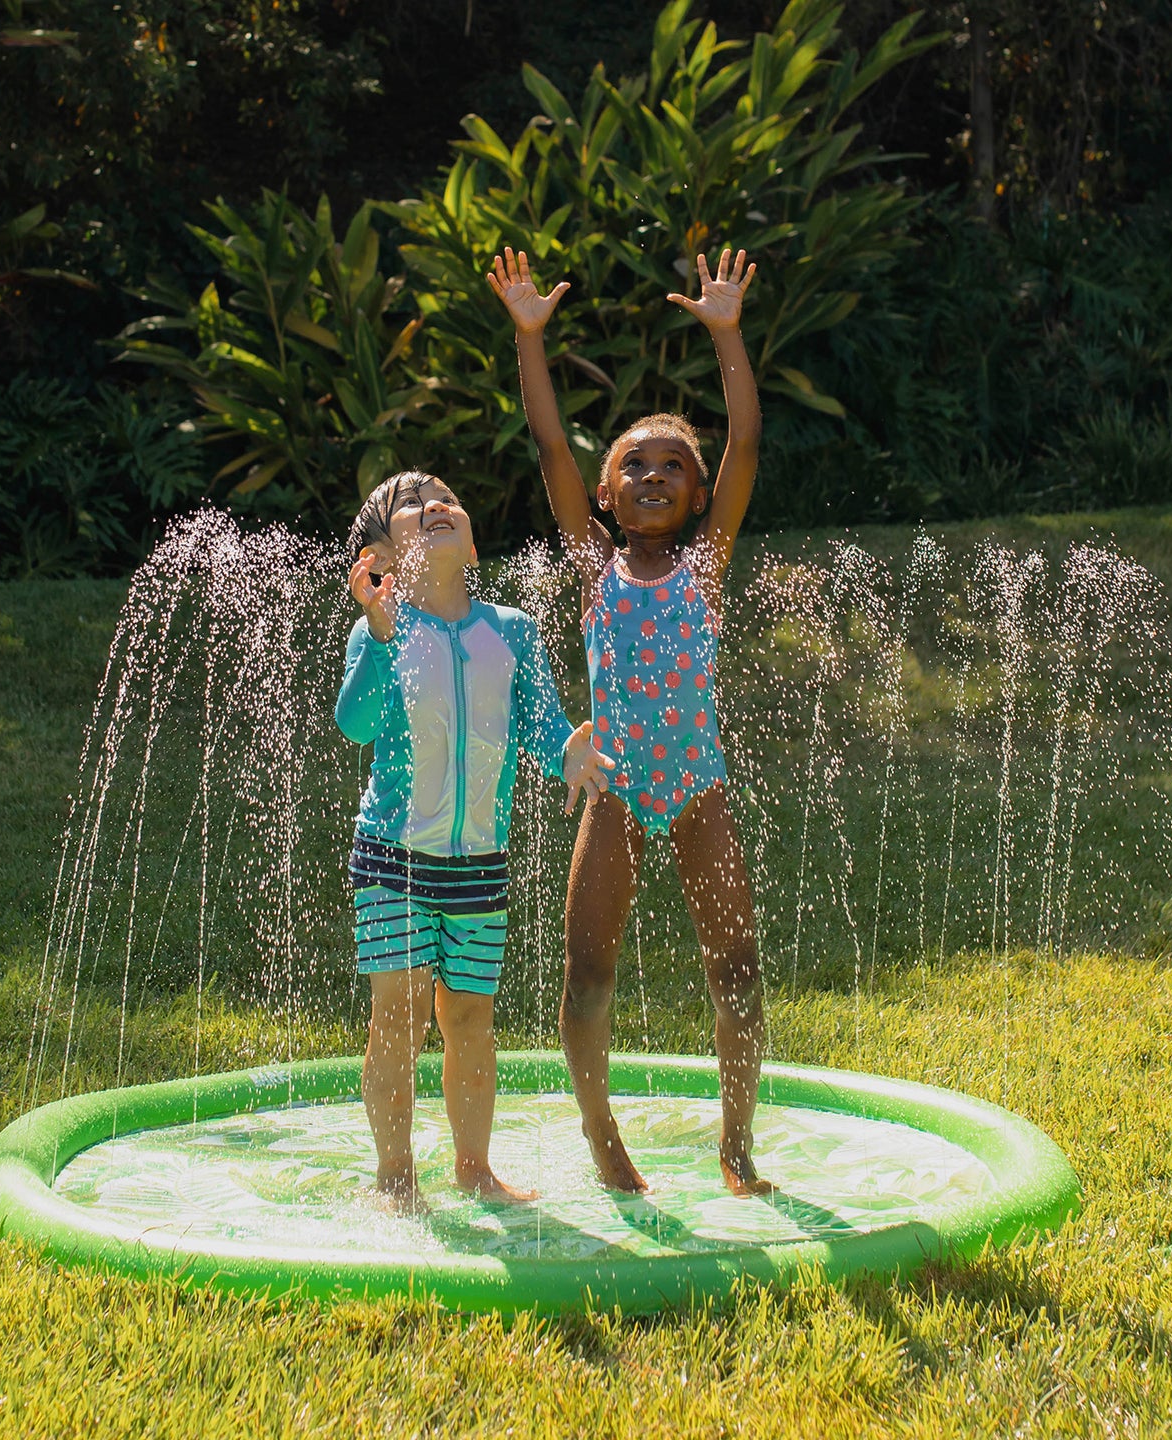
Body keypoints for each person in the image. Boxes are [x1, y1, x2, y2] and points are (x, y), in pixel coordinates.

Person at [487, 245, 769, 1195]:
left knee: (736, 967)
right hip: (614, 794)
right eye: (635, 465)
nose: (654, 476)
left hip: (698, 791)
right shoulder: (591, 569)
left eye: (674, 468)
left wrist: (727, 335)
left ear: (695, 496)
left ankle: (736, 1143)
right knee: (587, 972)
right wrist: (532, 341)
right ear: (607, 494)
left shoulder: (708, 566)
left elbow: (747, 450)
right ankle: (602, 1133)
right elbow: (551, 446)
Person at [335, 470, 614, 1214]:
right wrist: (383, 634)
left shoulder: (511, 630)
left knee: (470, 1020)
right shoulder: (382, 632)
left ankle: (473, 1167)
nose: (432, 504)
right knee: (397, 1014)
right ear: (379, 561)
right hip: (392, 854)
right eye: (409, 504)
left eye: (444, 498)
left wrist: (570, 753)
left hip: (480, 866)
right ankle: (396, 1176)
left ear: (472, 538)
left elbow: (539, 724)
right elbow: (354, 723)